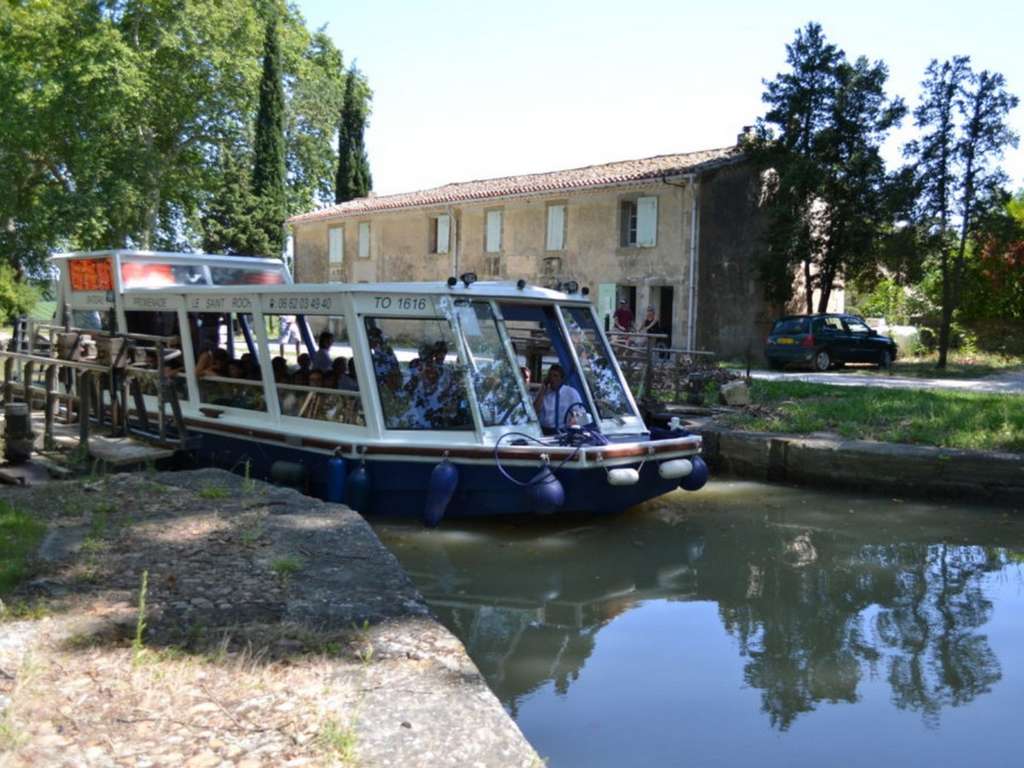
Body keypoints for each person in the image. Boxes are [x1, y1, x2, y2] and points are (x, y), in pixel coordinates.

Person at [533, 364, 584, 435]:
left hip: (562, 431)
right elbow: (534, 411)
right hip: (543, 431)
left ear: (561, 379)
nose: (552, 379)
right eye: (550, 375)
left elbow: (582, 417)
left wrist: (573, 422)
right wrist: (542, 391)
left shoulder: (571, 393)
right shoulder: (544, 392)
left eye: (555, 376)